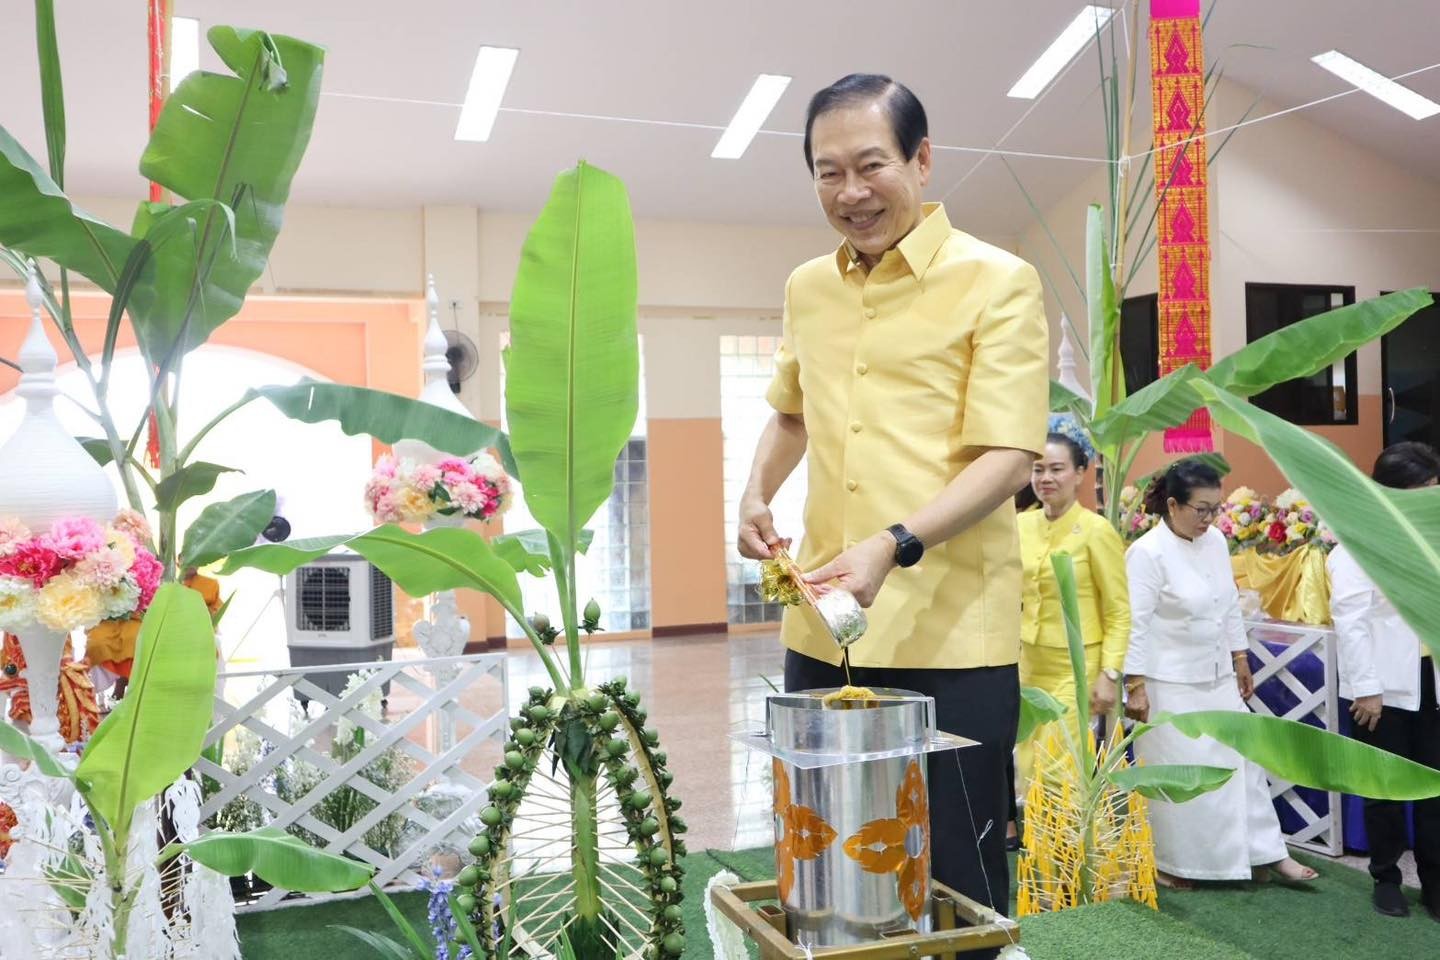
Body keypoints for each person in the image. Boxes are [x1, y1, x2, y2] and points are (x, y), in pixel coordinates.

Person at [736, 73, 1049, 930]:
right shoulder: (808, 286)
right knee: (824, 855)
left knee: (959, 874)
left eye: (871, 165)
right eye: (828, 172)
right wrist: (755, 492)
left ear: (921, 160)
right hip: (824, 622)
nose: (852, 192)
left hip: (950, 632)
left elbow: (1009, 458)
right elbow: (791, 412)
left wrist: (894, 543)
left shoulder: (999, 280)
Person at [1123, 459, 1317, 888]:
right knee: (1183, 772)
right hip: (1168, 683)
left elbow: (1229, 602)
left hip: (1218, 676)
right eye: (1201, 509)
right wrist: (1135, 685)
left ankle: (1268, 853)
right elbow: (1134, 624)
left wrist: (1240, 657)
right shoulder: (1147, 553)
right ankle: (1177, 865)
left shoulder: (1213, 541)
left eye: (1216, 509)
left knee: (1243, 764)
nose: (1209, 519)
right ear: (1173, 505)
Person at [1329, 441, 1440, 919]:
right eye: (1425, 488)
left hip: (1431, 678)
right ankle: (1386, 879)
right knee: (1385, 788)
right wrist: (1366, 689)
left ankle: (1435, 883)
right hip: (1382, 685)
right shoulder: (1359, 542)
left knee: (1434, 787)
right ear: (1394, 490)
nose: (1433, 495)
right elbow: (1350, 621)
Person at [1012, 421, 1129, 803]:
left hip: (1075, 666)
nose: (1046, 478)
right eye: (1038, 469)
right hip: (1029, 662)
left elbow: (1118, 610)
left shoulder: (1096, 530)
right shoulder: (1019, 525)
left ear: (1079, 473)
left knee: (1059, 764)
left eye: (1056, 469)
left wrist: (1110, 673)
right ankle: (1039, 839)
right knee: (1027, 762)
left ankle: (1068, 837)